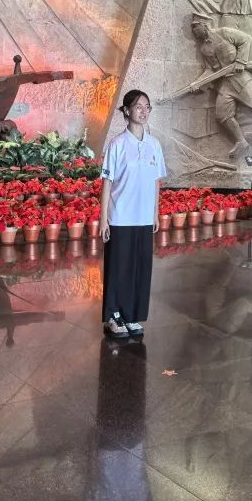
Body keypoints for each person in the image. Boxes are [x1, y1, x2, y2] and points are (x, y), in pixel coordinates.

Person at [99, 90, 167, 339]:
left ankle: (130, 315)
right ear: (127, 111)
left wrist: (155, 214)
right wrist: (103, 219)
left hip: (143, 217)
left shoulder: (154, 145)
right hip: (120, 217)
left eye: (147, 107)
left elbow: (156, 182)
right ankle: (113, 316)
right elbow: (107, 182)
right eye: (139, 106)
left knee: (140, 268)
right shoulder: (117, 144)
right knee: (119, 268)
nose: (144, 111)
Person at [188, 15, 252, 157]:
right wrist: (198, 83)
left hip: (240, 78)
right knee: (222, 115)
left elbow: (246, 39)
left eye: (195, 26)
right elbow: (210, 70)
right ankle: (241, 142)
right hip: (224, 84)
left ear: (204, 25)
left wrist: (240, 61)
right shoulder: (204, 48)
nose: (193, 31)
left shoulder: (224, 33)